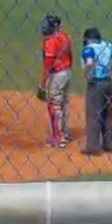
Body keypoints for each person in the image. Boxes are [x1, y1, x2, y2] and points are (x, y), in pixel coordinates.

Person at [80, 27, 112, 156]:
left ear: (88, 39)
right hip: (109, 84)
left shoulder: (89, 49)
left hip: (96, 85)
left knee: (93, 114)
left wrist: (85, 73)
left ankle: (93, 147)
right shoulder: (107, 45)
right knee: (107, 114)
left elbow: (89, 63)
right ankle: (109, 144)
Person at [37, 15, 73, 148]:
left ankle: (59, 138)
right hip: (67, 72)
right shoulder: (65, 36)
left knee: (54, 105)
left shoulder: (50, 42)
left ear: (54, 26)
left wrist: (42, 83)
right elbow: (70, 54)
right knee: (63, 104)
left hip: (57, 75)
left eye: (47, 25)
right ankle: (65, 134)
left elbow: (48, 64)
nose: (44, 28)